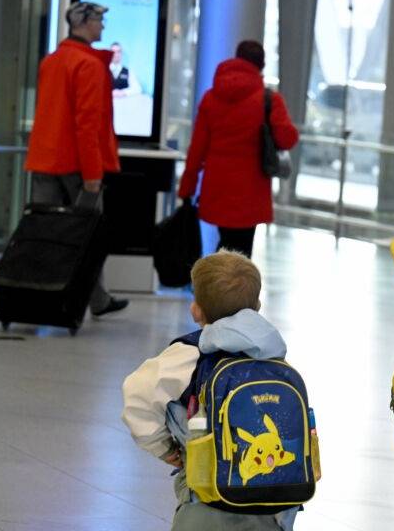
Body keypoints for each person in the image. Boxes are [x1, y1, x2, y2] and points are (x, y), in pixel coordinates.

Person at [121, 250, 297, 530]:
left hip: (205, 498)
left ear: (196, 310)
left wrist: (164, 448)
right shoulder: (275, 357)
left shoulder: (190, 353)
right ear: (258, 306)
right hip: (273, 502)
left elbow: (138, 393)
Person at [25, 1, 127, 317]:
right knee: (88, 236)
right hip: (76, 166)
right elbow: (88, 124)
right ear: (83, 23)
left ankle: (39, 296)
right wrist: (93, 174)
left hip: (44, 159)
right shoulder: (89, 65)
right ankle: (93, 300)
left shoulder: (52, 61)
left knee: (45, 234)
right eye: (98, 20)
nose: (102, 27)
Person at [178, 41, 298, 258]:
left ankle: (214, 287)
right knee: (240, 252)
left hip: (217, 188)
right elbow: (287, 139)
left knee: (227, 244)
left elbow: (197, 149)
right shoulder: (269, 99)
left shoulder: (211, 98)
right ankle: (224, 289)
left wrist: (187, 188)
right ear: (261, 65)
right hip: (251, 190)